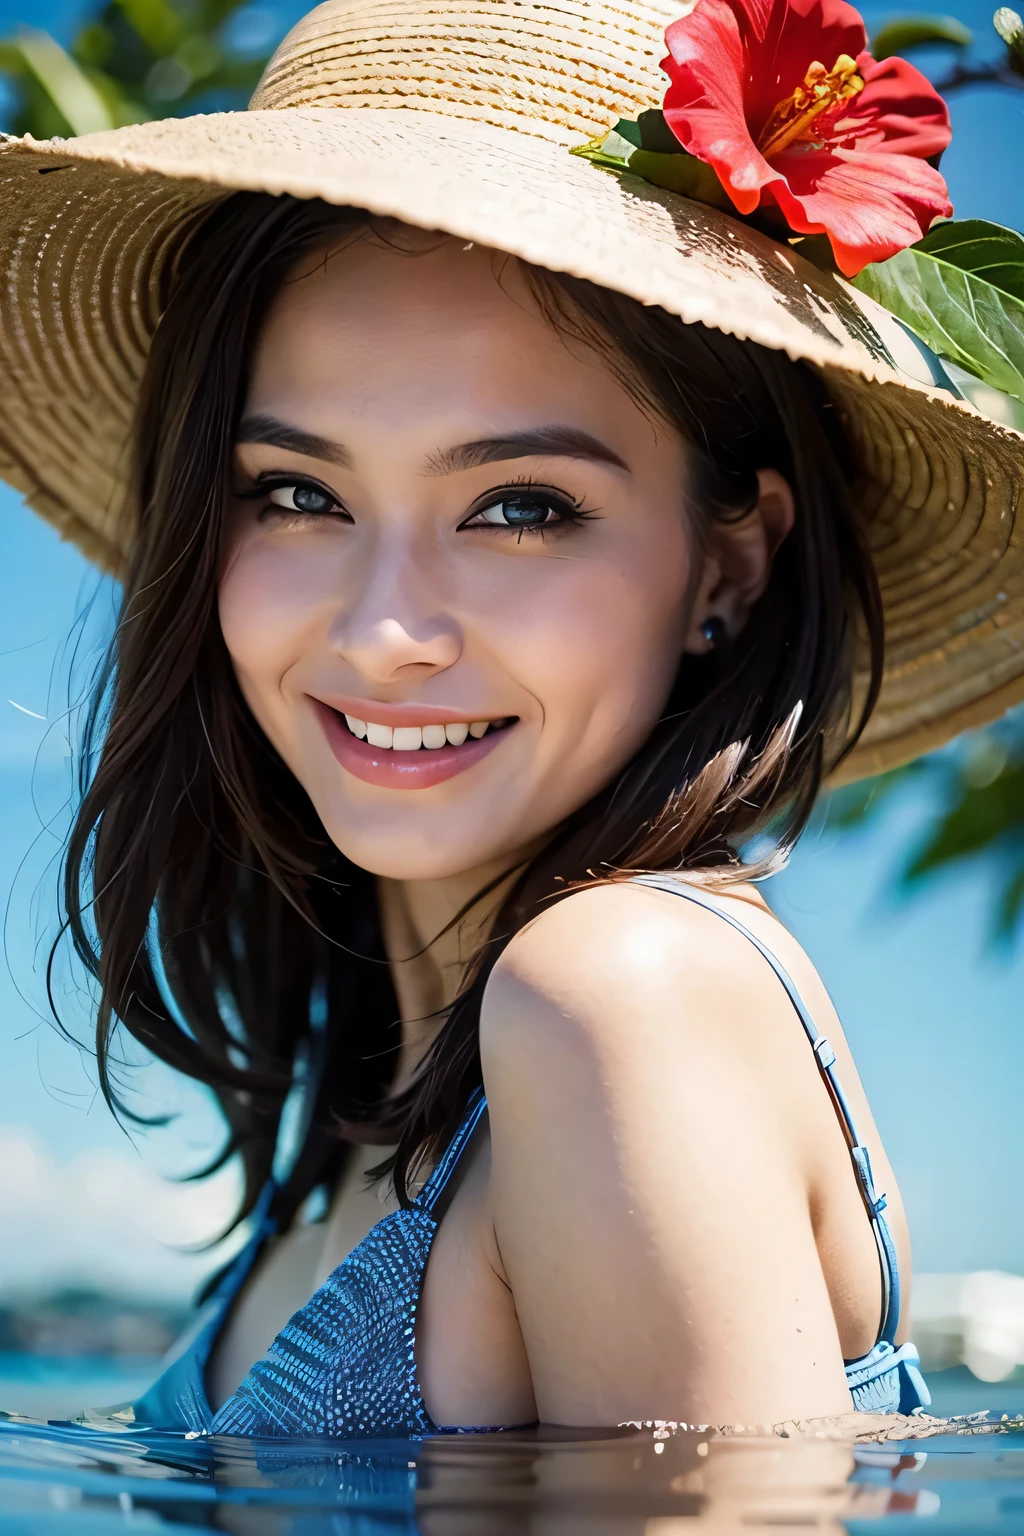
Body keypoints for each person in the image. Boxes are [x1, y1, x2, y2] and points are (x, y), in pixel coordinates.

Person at [0, 0, 1019, 1440]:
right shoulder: (395, 1112)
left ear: (728, 565)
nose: (383, 633)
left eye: (521, 509)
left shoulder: (618, 995)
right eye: (298, 492)